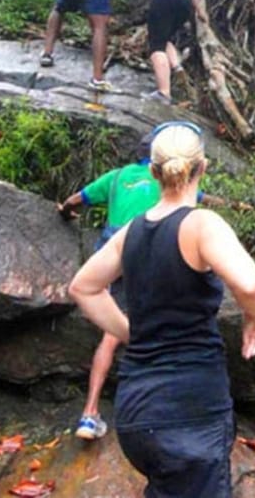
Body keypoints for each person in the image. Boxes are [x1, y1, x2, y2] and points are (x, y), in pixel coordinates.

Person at [68, 121, 255, 497]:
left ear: (152, 171)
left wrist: (132, 333)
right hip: (190, 414)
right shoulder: (201, 224)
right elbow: (250, 285)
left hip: (136, 415)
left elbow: (83, 287)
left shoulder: (130, 232)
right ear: (202, 167)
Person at [58, 132, 161, 439]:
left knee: (110, 335)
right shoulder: (166, 179)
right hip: (143, 257)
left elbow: (75, 200)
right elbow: (195, 199)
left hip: (110, 259)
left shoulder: (116, 177)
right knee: (146, 328)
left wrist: (65, 212)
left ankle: (89, 415)